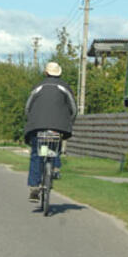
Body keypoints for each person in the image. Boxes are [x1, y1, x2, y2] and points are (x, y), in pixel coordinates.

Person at [24, 62, 76, 201]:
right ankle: (55, 167)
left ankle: (34, 187)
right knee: (53, 146)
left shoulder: (38, 87)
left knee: (36, 154)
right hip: (58, 126)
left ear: (45, 73)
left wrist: (31, 120)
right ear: (59, 73)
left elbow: (28, 107)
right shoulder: (65, 87)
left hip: (37, 126)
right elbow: (73, 109)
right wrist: (69, 122)